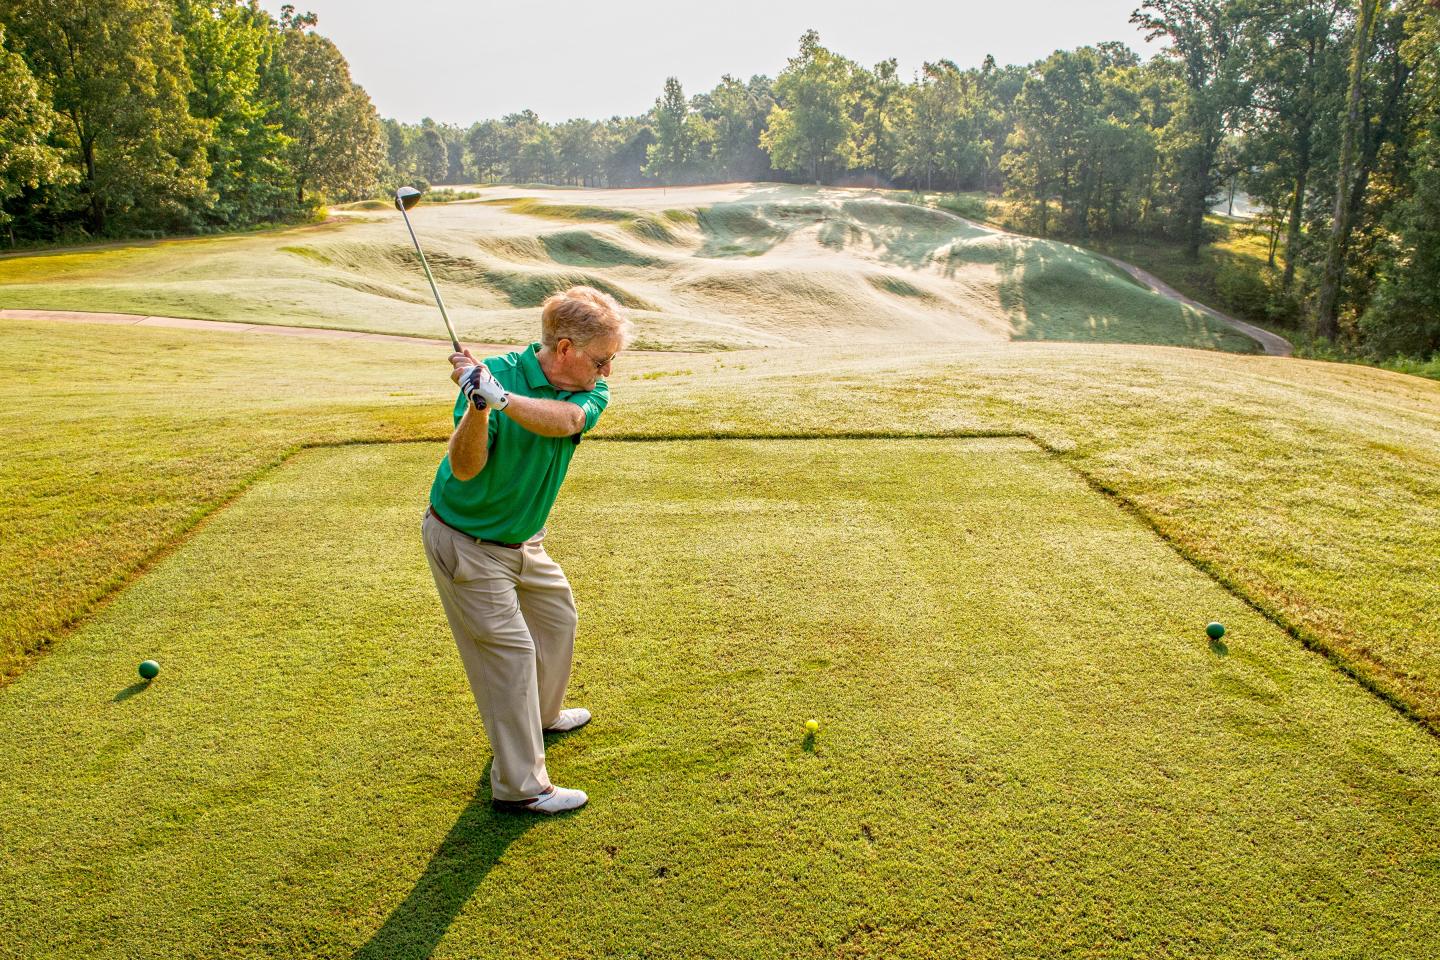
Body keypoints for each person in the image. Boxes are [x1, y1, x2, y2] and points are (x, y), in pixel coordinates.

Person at [421, 286, 626, 814]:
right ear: (564, 348)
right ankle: (520, 786)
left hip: (523, 539)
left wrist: (502, 399)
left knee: (556, 618)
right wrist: (479, 405)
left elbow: (565, 423)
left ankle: (542, 715)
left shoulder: (587, 395)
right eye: (601, 360)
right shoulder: (495, 375)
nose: (607, 373)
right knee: (509, 655)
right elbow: (465, 468)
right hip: (466, 541)